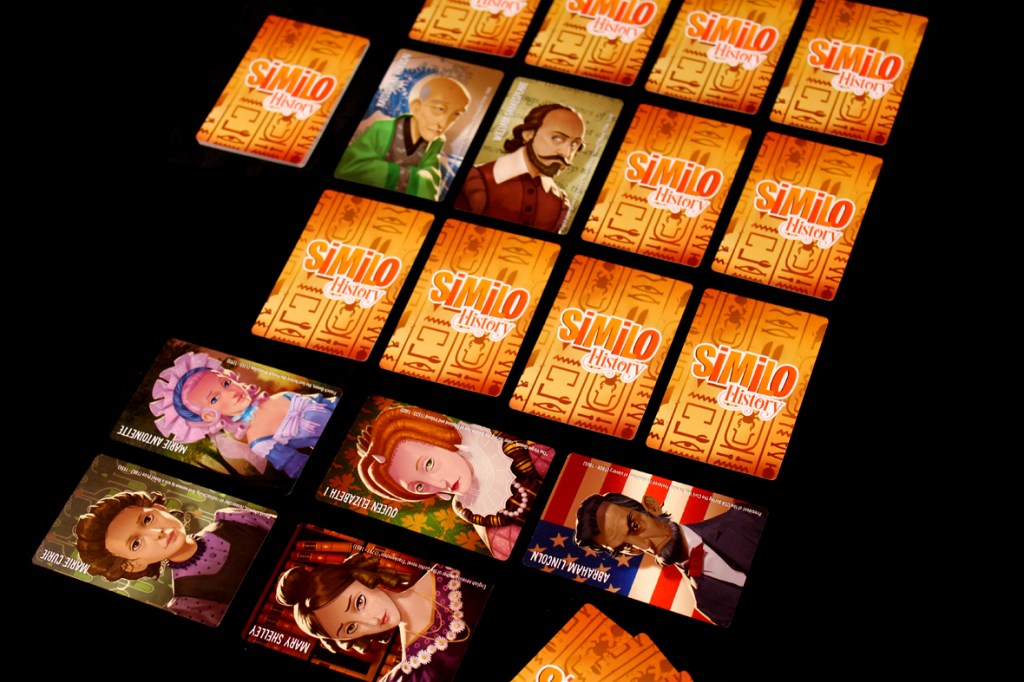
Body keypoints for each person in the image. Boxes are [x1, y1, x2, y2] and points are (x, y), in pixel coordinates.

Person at [356, 406, 551, 560]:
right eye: (419, 486)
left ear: (439, 438)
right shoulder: (474, 510)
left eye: (429, 464)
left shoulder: (498, 439)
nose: (440, 483)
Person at [74, 490, 272, 626]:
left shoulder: (231, 518)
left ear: (160, 509)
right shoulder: (189, 602)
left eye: (147, 519)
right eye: (136, 543)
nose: (157, 533)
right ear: (134, 565)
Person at [574, 492, 765, 627]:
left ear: (652, 507)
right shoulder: (707, 604)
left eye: (634, 526)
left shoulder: (744, 518)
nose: (645, 545)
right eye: (624, 547)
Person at [277, 553, 478, 681]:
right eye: (351, 628)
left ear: (363, 578)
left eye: (359, 602)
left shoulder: (451, 571)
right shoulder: (415, 673)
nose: (371, 621)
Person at [150, 351, 337, 479]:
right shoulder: (259, 441)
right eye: (214, 399)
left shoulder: (281, 397)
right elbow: (300, 468)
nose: (231, 393)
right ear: (208, 416)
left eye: (225, 383)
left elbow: (330, 403)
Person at [335, 75, 471, 200]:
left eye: (456, 114)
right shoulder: (381, 129)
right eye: (439, 109)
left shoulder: (437, 140)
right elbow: (349, 168)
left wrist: (388, 172)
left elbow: (431, 182)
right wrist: (411, 177)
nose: (444, 123)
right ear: (417, 107)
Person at [455, 103, 585, 232]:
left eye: (574, 144)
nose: (565, 152)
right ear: (528, 134)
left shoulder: (560, 202)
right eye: (556, 138)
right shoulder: (475, 179)